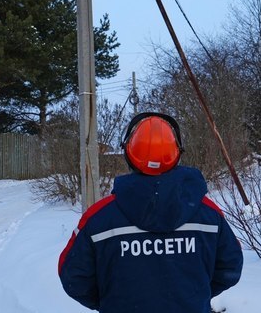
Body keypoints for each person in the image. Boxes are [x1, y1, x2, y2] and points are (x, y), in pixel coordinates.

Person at [58, 112, 243, 313]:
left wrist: (111, 301)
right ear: (177, 153)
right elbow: (230, 268)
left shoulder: (99, 218)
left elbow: (73, 277)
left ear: (129, 154)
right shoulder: (209, 215)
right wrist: (194, 296)